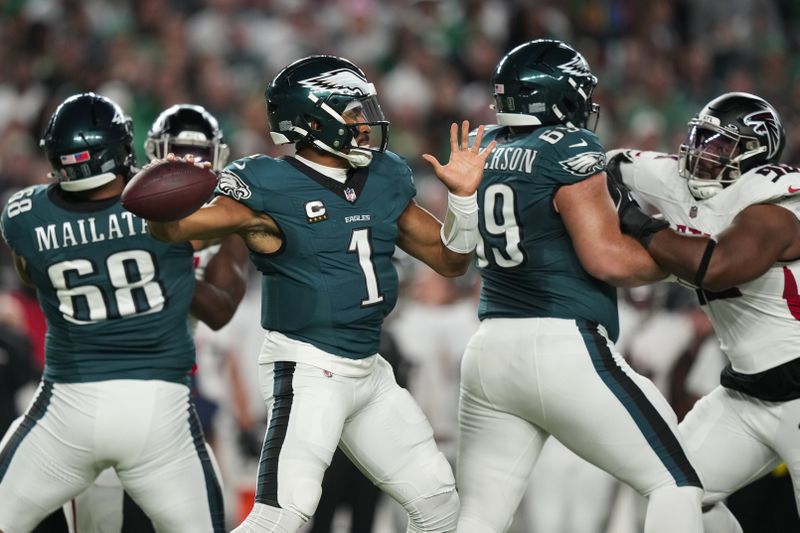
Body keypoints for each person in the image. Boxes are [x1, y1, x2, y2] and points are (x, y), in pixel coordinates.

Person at [142, 54, 496, 533]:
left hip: (369, 371)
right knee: (281, 515)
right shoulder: (269, 183)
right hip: (307, 368)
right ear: (312, 121)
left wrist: (463, 199)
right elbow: (172, 230)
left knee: (438, 504)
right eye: (353, 112)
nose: (366, 123)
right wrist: (164, 190)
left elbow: (451, 261)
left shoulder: (386, 175)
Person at [455, 39, 704, 533]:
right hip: (560, 344)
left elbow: (456, 249)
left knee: (479, 519)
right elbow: (607, 259)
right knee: (676, 484)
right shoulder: (567, 146)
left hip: (488, 350)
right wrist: (678, 264)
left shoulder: (480, 147)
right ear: (557, 97)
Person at [0, 92, 225, 532]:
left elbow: (31, 276)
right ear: (123, 149)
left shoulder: (24, 214)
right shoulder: (171, 204)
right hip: (159, 408)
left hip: (68, 409)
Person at [607, 91, 800, 533]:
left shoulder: (774, 206)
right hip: (745, 394)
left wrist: (638, 222)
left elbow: (718, 267)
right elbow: (609, 165)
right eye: (701, 138)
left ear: (755, 153)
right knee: (671, 489)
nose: (702, 153)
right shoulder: (679, 181)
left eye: (720, 145)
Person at [61, 102, 249, 533]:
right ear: (153, 153)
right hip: (99, 384)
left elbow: (220, 310)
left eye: (198, 153)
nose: (188, 162)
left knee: (201, 518)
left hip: (170, 395)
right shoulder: (116, 203)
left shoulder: (230, 219)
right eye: (178, 150)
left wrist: (163, 258)